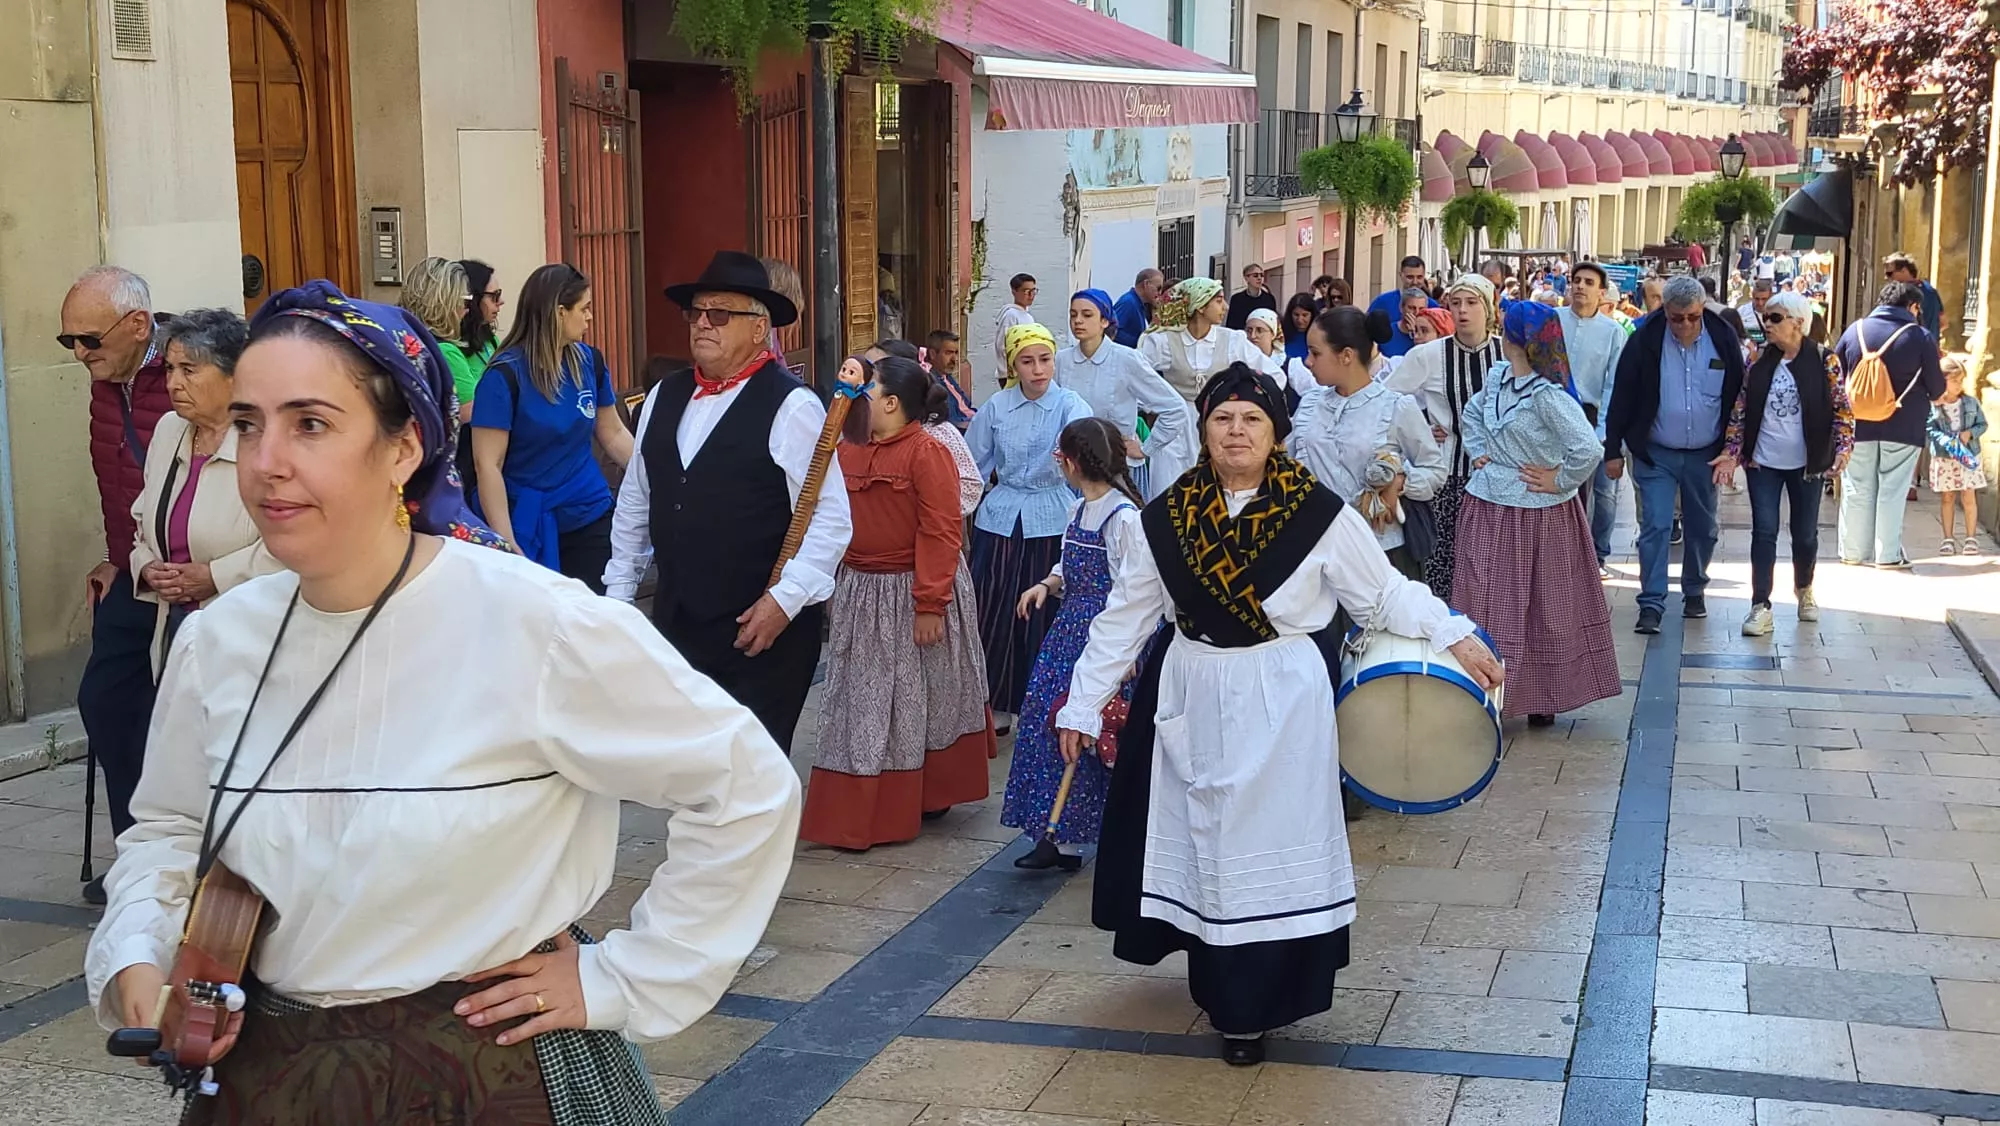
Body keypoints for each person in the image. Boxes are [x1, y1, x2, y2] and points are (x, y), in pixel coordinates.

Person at [86, 281, 799, 1123]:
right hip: (273, 1081)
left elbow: (744, 782)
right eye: (248, 424)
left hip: (489, 1074)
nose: (265, 460)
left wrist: (626, 976)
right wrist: (136, 951)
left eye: (310, 424)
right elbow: (170, 828)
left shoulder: (538, 624)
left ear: (403, 448)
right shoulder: (219, 642)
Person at [1054, 363, 1502, 1066]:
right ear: (1204, 430)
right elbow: (1126, 619)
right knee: (1210, 844)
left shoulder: (1319, 514)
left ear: (1276, 433)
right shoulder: (1164, 518)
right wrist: (1082, 701)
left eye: (1252, 419)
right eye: (1223, 418)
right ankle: (1221, 988)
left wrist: (1453, 632)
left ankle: (1252, 1007)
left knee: (1266, 847)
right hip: (1194, 691)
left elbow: (1382, 595)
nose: (1237, 431)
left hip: (1284, 697)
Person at [605, 251, 853, 753]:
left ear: (759, 328)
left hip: (760, 631)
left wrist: (784, 603)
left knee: (749, 780)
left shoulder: (792, 406)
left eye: (719, 314)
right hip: (679, 624)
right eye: (695, 313)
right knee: (687, 772)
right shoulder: (662, 396)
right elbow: (637, 500)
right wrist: (619, 595)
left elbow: (831, 520)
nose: (702, 324)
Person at [800, 357, 994, 849]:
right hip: (862, 590)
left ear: (890, 403)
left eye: (868, 391)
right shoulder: (846, 451)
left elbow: (941, 529)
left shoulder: (927, 453)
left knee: (919, 699)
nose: (860, 398)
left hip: (911, 588)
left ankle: (921, 795)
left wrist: (930, 602)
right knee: (862, 703)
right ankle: (860, 807)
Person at [62, 264, 174, 904]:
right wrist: (114, 557)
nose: (79, 355)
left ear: (137, 326)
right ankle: (139, 853)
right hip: (132, 571)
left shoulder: (194, 367)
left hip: (197, 578)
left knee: (187, 719)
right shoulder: (108, 378)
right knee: (107, 704)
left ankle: (203, 860)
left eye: (89, 340)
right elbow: (118, 480)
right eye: (68, 342)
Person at [1453, 302, 1620, 725]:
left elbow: (1588, 448)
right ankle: (1485, 689)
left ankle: (1541, 696)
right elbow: (1472, 415)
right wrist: (1481, 454)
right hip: (1488, 504)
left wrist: (1559, 480)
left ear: (1514, 338)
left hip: (1538, 515)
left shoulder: (1548, 395)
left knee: (1541, 606)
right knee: (1484, 597)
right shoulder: (1498, 378)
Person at [1002, 417, 1145, 869]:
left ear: (1074, 462)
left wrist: (1127, 656)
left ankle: (1088, 826)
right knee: (1050, 722)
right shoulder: (1078, 509)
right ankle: (1055, 833)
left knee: (1097, 736)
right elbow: (1069, 561)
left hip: (1105, 634)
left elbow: (1133, 590)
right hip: (1069, 630)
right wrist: (1047, 583)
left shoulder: (1124, 519)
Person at [129, 308, 281, 677]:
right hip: (177, 630)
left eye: (189, 370)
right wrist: (147, 566)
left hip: (249, 640)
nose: (172, 384)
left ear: (234, 377)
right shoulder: (169, 430)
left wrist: (216, 575)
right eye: (169, 368)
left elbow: (297, 545)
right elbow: (141, 521)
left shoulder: (266, 441)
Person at [468, 263, 634, 588]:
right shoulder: (503, 377)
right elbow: (488, 465)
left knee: (593, 618)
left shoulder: (590, 362)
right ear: (559, 312)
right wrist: (503, 541)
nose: (590, 317)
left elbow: (613, 434)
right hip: (523, 519)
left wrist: (658, 480)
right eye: (584, 309)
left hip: (588, 511)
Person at [968, 323, 1095, 726]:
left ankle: (1043, 703)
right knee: (994, 608)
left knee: (1044, 614)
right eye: (1027, 361)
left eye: (1045, 360)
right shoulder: (996, 408)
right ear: (1012, 365)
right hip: (1001, 517)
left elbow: (1082, 457)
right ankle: (996, 703)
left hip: (1052, 516)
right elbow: (972, 465)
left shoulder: (1071, 405)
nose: (1039, 369)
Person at [1603, 275, 1745, 634]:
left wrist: (1733, 450)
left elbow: (1740, 399)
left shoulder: (1723, 338)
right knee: (1656, 526)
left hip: (1705, 455)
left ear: (1702, 309)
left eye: (1693, 317)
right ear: (1665, 311)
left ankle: (1694, 588)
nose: (1685, 325)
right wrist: (1613, 450)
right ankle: (1651, 602)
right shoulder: (1644, 340)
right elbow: (1622, 396)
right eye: (1677, 317)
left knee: (1703, 527)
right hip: (1655, 453)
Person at [1714, 291, 1853, 635]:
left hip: (1808, 463)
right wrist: (1732, 452)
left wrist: (1843, 449)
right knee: (1764, 531)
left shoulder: (1824, 360)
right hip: (1764, 462)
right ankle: (1760, 605)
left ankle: (1804, 588)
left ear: (1799, 323)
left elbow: (1842, 410)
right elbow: (1740, 410)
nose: (1767, 325)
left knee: (1804, 534)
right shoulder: (1758, 361)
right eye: (1765, 318)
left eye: (1775, 319)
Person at [1289, 306, 1445, 580]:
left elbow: (1435, 469)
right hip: (1316, 549)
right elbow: (1286, 465)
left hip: (1381, 554)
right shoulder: (1310, 405)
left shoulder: (1395, 406)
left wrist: (1400, 483)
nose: (1308, 362)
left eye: (1315, 353)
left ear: (1346, 355)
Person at [1387, 273, 1507, 600]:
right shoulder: (1428, 355)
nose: (1463, 311)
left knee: (1492, 572)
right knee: (1444, 570)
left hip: (1499, 479)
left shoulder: (1507, 354)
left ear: (1488, 308)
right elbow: (1386, 403)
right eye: (1455, 303)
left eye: (1471, 303)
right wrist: (1420, 432)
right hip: (1448, 478)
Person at [1833, 281, 1946, 568]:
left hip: (1858, 425)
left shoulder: (1854, 331)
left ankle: (1853, 552)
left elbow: (1835, 376)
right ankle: (1888, 555)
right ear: (1913, 306)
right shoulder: (1920, 337)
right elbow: (1936, 389)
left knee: (1856, 486)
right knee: (1892, 489)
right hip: (1904, 425)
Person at [1057, 289, 1193, 500]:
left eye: (1087, 314)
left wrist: (1147, 448)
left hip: (1117, 471)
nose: (1078, 321)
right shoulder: (1061, 361)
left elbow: (1174, 407)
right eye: (1073, 315)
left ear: (1104, 321)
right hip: (1075, 471)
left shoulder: (1127, 359)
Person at [1559, 261, 1627, 574]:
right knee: (1563, 486)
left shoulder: (1613, 332)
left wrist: (1605, 430)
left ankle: (1598, 554)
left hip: (1594, 412)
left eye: (1588, 282)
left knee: (1603, 491)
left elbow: (1615, 384)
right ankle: (1566, 551)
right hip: (1557, 411)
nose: (1580, 287)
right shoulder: (1554, 321)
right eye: (1576, 280)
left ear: (1601, 292)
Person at [863, 343, 984, 516]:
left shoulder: (936, 433)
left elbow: (970, 485)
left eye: (873, 372)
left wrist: (927, 511)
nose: (862, 379)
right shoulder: (860, 433)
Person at [1139, 277, 1259, 402]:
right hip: (1178, 418)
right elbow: (1135, 375)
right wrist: (1156, 403)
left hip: (1219, 417)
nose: (1226, 307)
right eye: (1219, 301)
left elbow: (1272, 374)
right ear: (1200, 306)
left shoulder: (1232, 340)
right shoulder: (1164, 342)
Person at [400, 258, 483, 426]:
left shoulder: (401, 338)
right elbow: (473, 412)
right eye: (466, 301)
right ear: (447, 302)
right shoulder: (444, 352)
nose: (467, 310)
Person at [1929, 355, 1989, 556]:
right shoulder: (1934, 405)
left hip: (1967, 455)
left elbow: (1982, 424)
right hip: (1945, 457)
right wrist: (1946, 441)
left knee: (1969, 496)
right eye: (1954, 380)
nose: (1958, 384)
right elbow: (1930, 428)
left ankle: (1971, 538)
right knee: (1947, 497)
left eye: (1960, 380)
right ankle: (1948, 538)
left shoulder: (1971, 402)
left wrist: (1969, 433)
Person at [1366, 257, 1434, 358]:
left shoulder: (1433, 306)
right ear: (1401, 275)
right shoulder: (1382, 301)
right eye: (1410, 277)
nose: (1415, 282)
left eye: (1419, 277)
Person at [1883, 253, 1947, 342]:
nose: (1886, 278)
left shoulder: (1899, 294)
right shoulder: (1931, 290)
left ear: (1904, 271)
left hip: (1909, 347)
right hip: (1931, 347)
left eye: (1889, 273)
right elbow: (1943, 323)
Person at [924, 328, 975, 429]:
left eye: (956, 353)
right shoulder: (931, 381)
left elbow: (966, 407)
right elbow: (950, 420)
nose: (954, 359)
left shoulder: (947, 377)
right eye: (948, 353)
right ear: (933, 354)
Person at [993, 273, 1039, 380]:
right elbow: (1002, 346)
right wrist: (1013, 369)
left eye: (1033, 291)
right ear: (1014, 292)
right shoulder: (1010, 315)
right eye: (1026, 291)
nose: (1031, 295)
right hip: (1011, 375)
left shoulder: (1027, 316)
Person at [1113, 268, 1165, 348]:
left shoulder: (1139, 304)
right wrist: (1140, 342)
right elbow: (1113, 331)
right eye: (1158, 288)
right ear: (1146, 284)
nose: (1159, 293)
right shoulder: (1128, 302)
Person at [1224, 262, 1278, 330]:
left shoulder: (1269, 299)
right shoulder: (1237, 299)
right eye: (1255, 275)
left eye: (1261, 275)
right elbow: (1231, 325)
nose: (1259, 278)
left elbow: (1273, 323)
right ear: (1246, 278)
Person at [1737, 278, 1775, 353]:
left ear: (1771, 296)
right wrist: (1747, 342)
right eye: (1757, 299)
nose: (1760, 303)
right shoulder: (1742, 311)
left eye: (1764, 299)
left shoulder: (1778, 312)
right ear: (1752, 296)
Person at [1282, 293, 1317, 361]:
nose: (1300, 320)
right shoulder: (1282, 334)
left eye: (1304, 315)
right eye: (1296, 315)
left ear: (1312, 315)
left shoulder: (1319, 337)